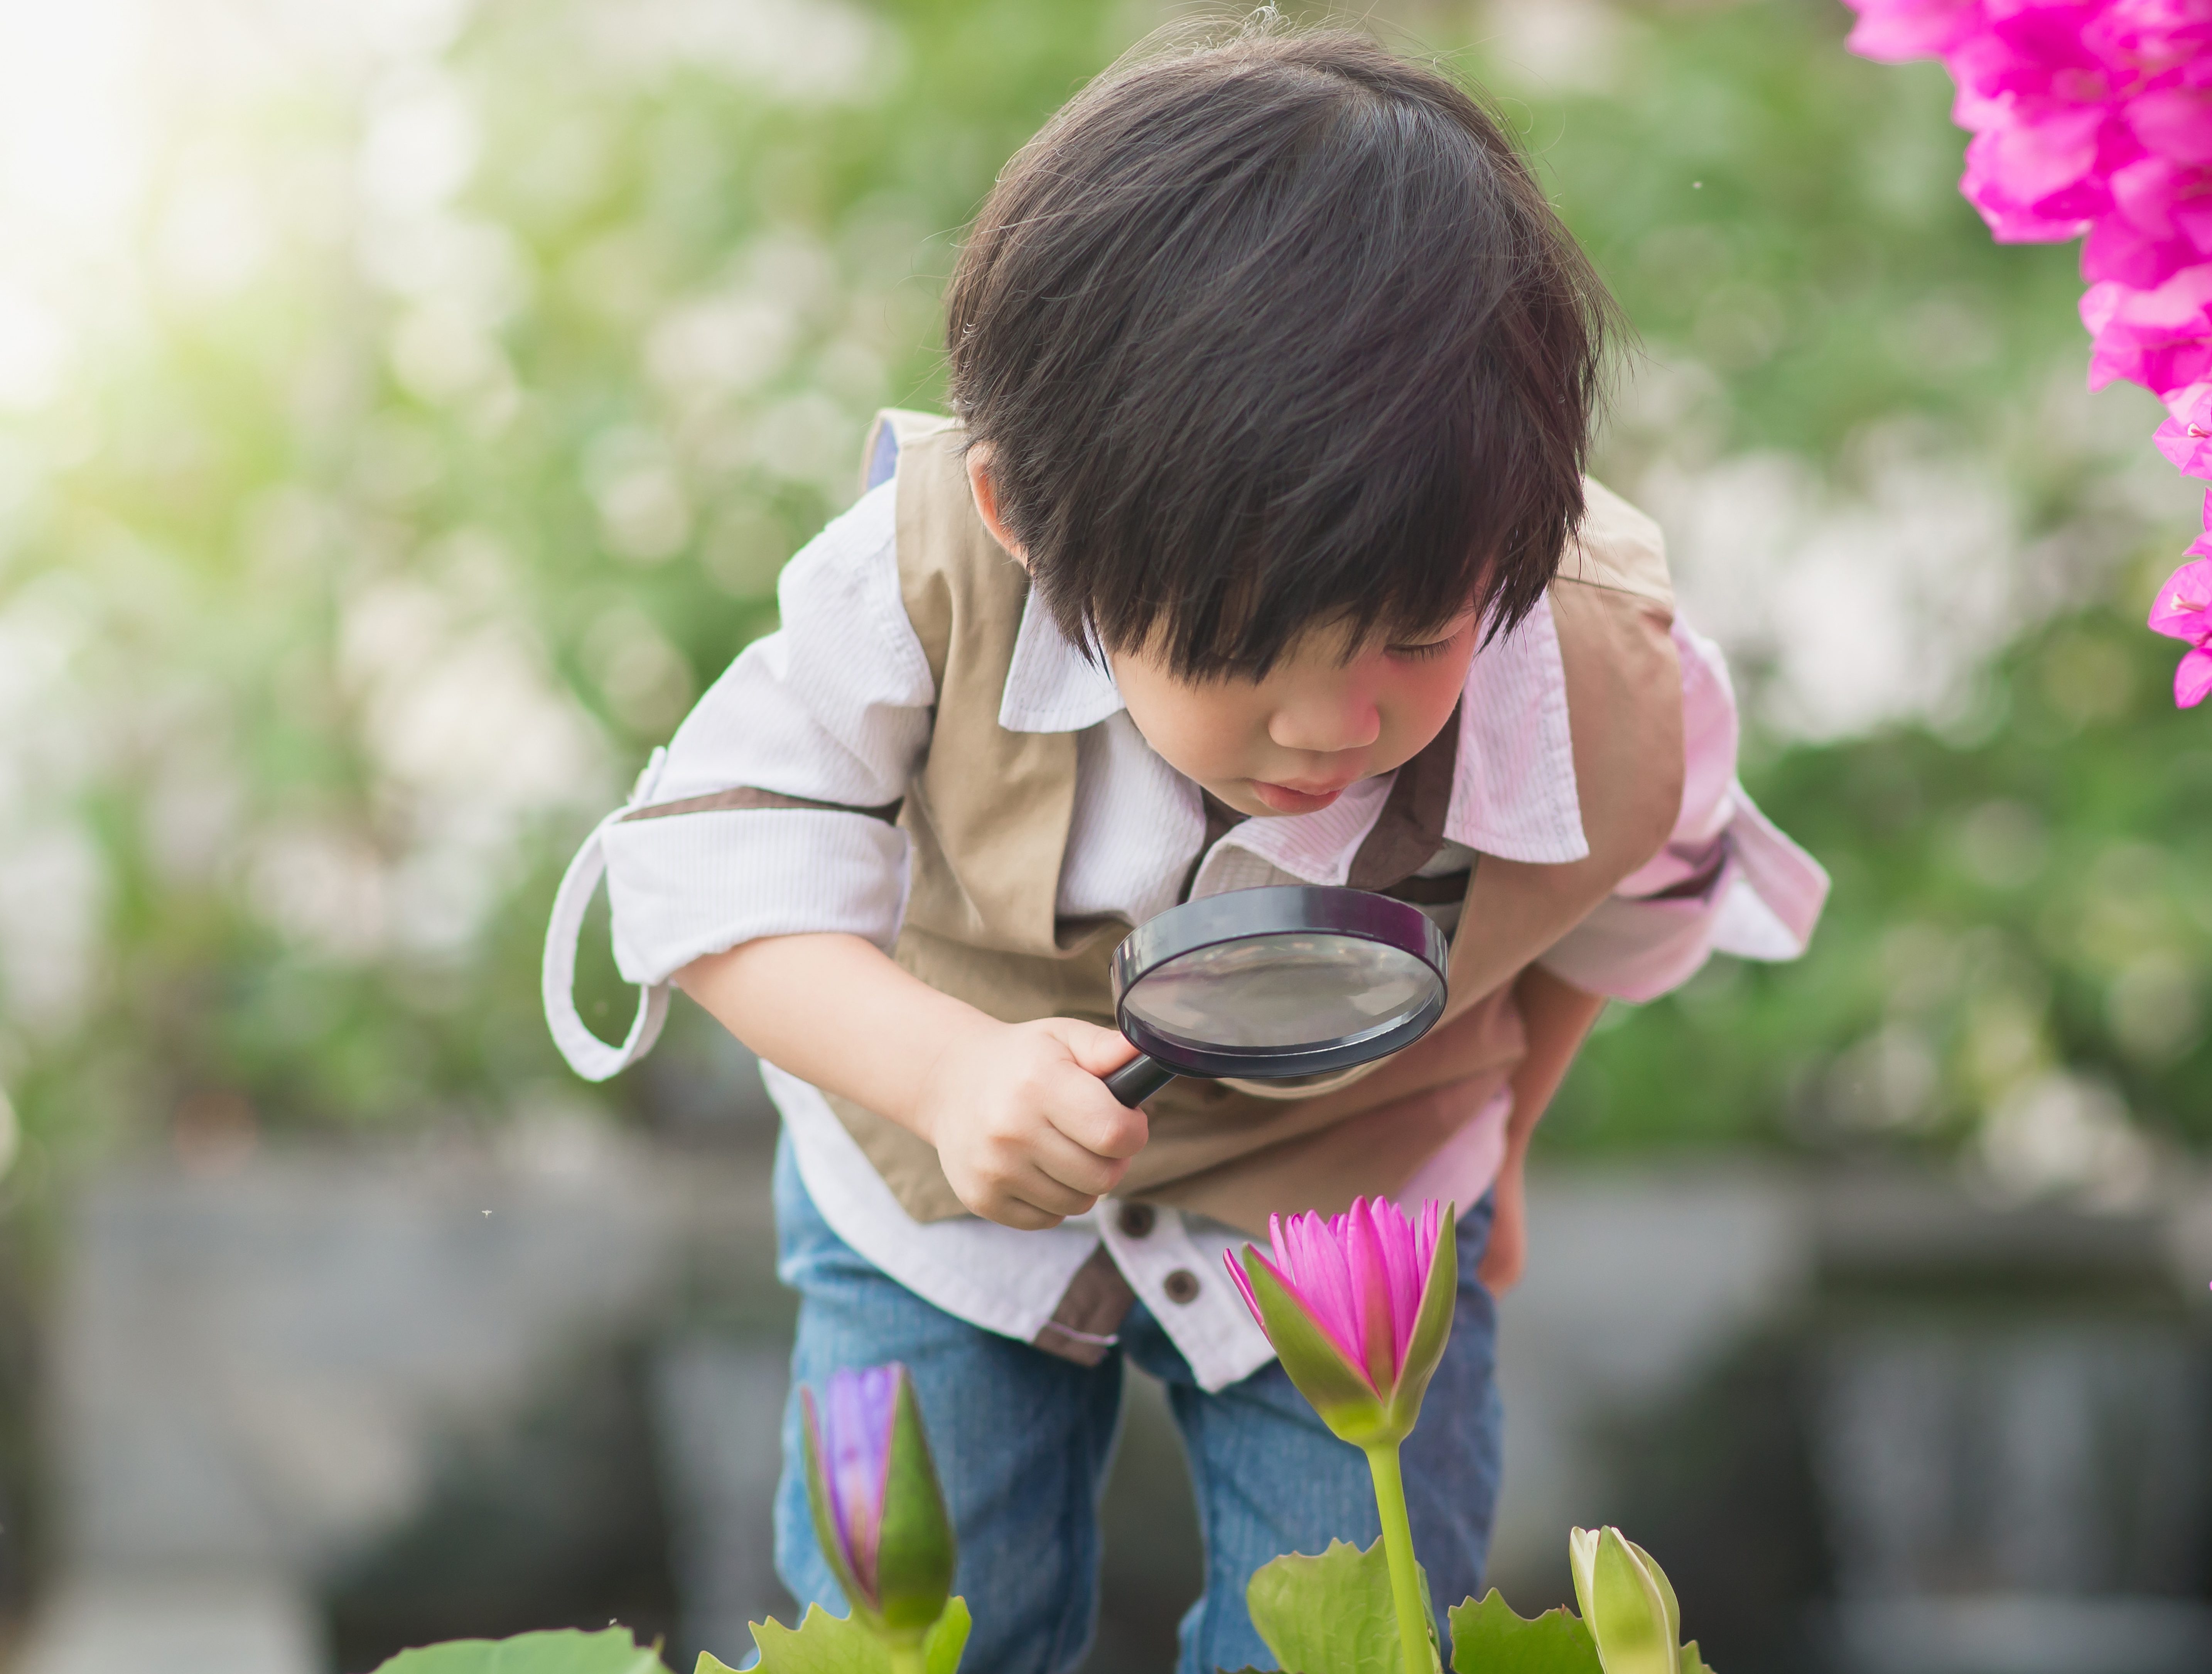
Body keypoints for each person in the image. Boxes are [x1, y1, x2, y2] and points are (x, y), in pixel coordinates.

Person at [538, 22, 1824, 1674]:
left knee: (1355, 1638)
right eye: (1237, 654)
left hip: (1358, 1184)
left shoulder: (1604, 670)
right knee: (920, 1630)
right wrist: (939, 1073)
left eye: (1413, 644)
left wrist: (1506, 1131)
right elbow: (710, 871)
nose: (1330, 726)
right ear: (1028, 518)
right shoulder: (921, 572)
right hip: (938, 1191)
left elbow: (1623, 904)